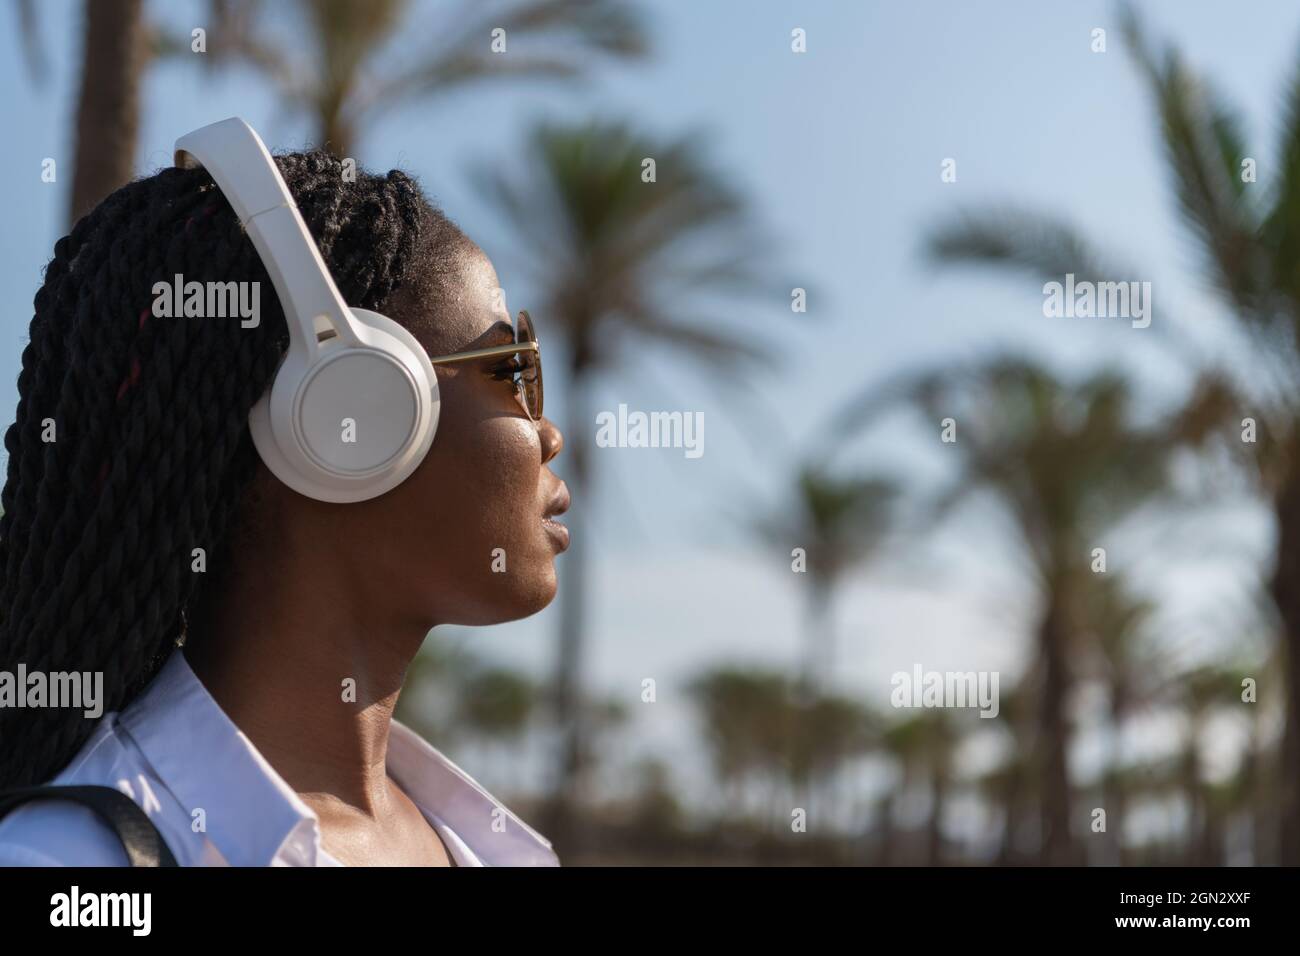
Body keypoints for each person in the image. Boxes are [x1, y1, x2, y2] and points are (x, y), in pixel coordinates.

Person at [0, 141, 569, 866]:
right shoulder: (67, 863)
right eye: (510, 368)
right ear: (344, 413)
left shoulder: (492, 849)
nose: (546, 430)